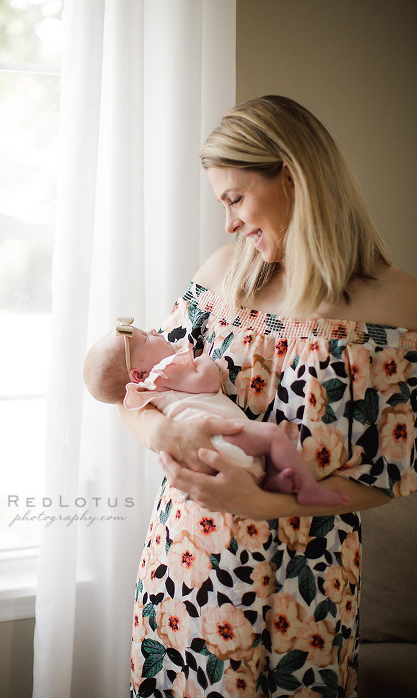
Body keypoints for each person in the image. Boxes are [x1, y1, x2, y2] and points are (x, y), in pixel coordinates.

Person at [117, 96, 417, 698]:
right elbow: (139, 391)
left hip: (309, 586)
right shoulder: (222, 276)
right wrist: (164, 433)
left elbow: (395, 472)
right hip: (186, 575)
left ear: (291, 173)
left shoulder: (396, 306)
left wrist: (271, 507)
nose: (228, 222)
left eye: (234, 198)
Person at [83, 320, 349, 506]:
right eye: (146, 337)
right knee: (271, 436)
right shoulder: (165, 371)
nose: (154, 330)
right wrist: (204, 359)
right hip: (218, 437)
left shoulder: (143, 390)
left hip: (205, 451)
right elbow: (206, 382)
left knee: (256, 464)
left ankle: (273, 481)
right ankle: (309, 489)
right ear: (139, 374)